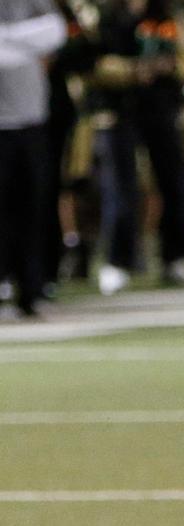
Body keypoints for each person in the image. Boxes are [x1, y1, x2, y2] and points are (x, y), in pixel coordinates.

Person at [87, 0, 184, 295]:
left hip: (159, 108)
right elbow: (90, 63)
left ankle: (175, 256)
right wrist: (135, 70)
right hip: (116, 111)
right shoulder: (106, 15)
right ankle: (117, 261)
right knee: (120, 189)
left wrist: (171, 66)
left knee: (174, 182)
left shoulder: (167, 15)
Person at [0, 0, 66, 318]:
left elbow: (56, 31)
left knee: (34, 209)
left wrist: (7, 37)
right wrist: (27, 41)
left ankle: (31, 289)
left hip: (33, 123)